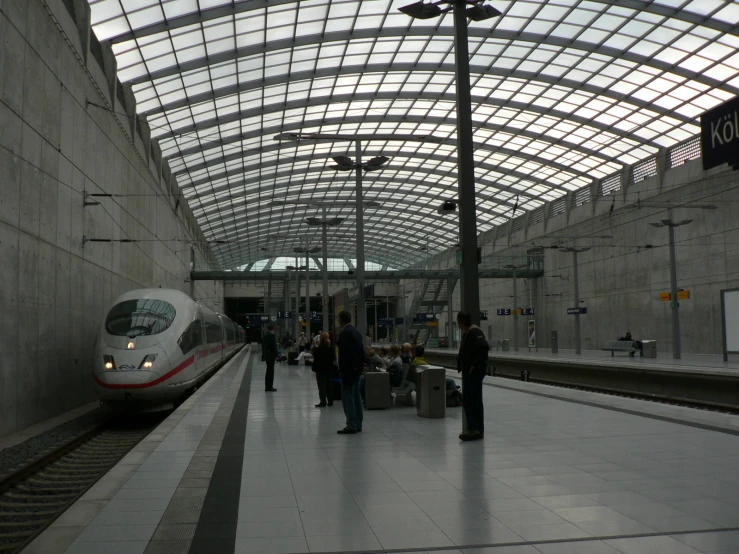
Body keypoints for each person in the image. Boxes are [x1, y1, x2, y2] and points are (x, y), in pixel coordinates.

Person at [456, 311, 488, 441]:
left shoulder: (475, 332)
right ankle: (475, 429)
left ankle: (475, 429)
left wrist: (475, 365)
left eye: (458, 321)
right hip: (470, 371)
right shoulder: (469, 332)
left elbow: (483, 348)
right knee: (471, 400)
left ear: (461, 322)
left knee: (471, 400)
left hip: (474, 372)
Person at [336, 310, 364, 434]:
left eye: (338, 319)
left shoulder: (345, 333)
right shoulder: (356, 332)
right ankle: (358, 423)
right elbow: (360, 351)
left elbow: (346, 353)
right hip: (357, 369)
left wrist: (343, 369)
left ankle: (351, 424)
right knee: (356, 396)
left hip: (348, 370)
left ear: (342, 320)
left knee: (348, 397)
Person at [311, 332, 334, 407]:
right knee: (329, 385)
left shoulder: (319, 348)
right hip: (329, 368)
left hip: (320, 369)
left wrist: (315, 347)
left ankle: (323, 401)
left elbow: (315, 355)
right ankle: (330, 400)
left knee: (322, 386)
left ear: (321, 339)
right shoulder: (331, 347)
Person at [262, 324, 278, 392]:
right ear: (273, 329)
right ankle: (269, 387)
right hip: (271, 356)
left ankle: (267, 386)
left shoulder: (265, 335)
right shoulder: (272, 336)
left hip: (267, 356)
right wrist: (276, 355)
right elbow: (274, 347)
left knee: (268, 371)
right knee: (271, 372)